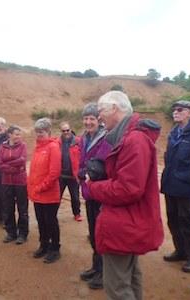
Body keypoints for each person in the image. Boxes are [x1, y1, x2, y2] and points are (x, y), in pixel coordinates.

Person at [87, 91, 164, 299]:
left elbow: (128, 188)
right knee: (130, 278)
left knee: (117, 286)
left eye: (101, 110)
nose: (99, 116)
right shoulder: (129, 137)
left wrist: (93, 187)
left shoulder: (134, 140)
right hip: (128, 221)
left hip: (124, 222)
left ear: (114, 108)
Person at [160, 100, 190, 273]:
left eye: (180, 109)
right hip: (171, 183)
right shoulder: (174, 132)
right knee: (173, 219)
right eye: (174, 110)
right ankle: (181, 251)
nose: (175, 112)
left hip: (186, 185)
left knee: (188, 220)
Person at [78, 103, 111, 290]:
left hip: (100, 191)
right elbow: (83, 162)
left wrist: (83, 173)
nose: (88, 122)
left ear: (98, 120)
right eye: (86, 118)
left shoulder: (105, 138)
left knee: (101, 232)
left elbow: (100, 166)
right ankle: (96, 266)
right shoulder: (84, 138)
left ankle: (103, 272)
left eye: (92, 118)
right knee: (93, 231)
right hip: (89, 190)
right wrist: (81, 174)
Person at [28, 118, 62, 264]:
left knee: (50, 222)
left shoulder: (53, 147)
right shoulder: (38, 147)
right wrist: (31, 186)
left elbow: (54, 173)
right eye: (37, 132)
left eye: (41, 132)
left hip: (49, 193)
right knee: (41, 221)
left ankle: (55, 248)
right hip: (37, 193)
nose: (38, 135)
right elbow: (34, 169)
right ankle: (44, 245)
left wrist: (41, 187)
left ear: (48, 131)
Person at [0, 125, 29, 244]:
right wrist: (13, 168)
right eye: (16, 134)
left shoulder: (23, 145)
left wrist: (7, 164)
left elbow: (22, 160)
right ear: (9, 135)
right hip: (6, 182)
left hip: (20, 182)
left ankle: (23, 234)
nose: (18, 137)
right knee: (8, 208)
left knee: (22, 208)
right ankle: (11, 233)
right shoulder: (2, 146)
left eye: (19, 134)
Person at [58, 121, 82, 222]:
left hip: (73, 175)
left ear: (70, 129)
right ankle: (53, 213)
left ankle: (77, 214)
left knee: (75, 197)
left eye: (67, 130)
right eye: (63, 131)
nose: (66, 132)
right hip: (61, 175)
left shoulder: (78, 141)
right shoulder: (57, 142)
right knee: (56, 197)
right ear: (61, 131)